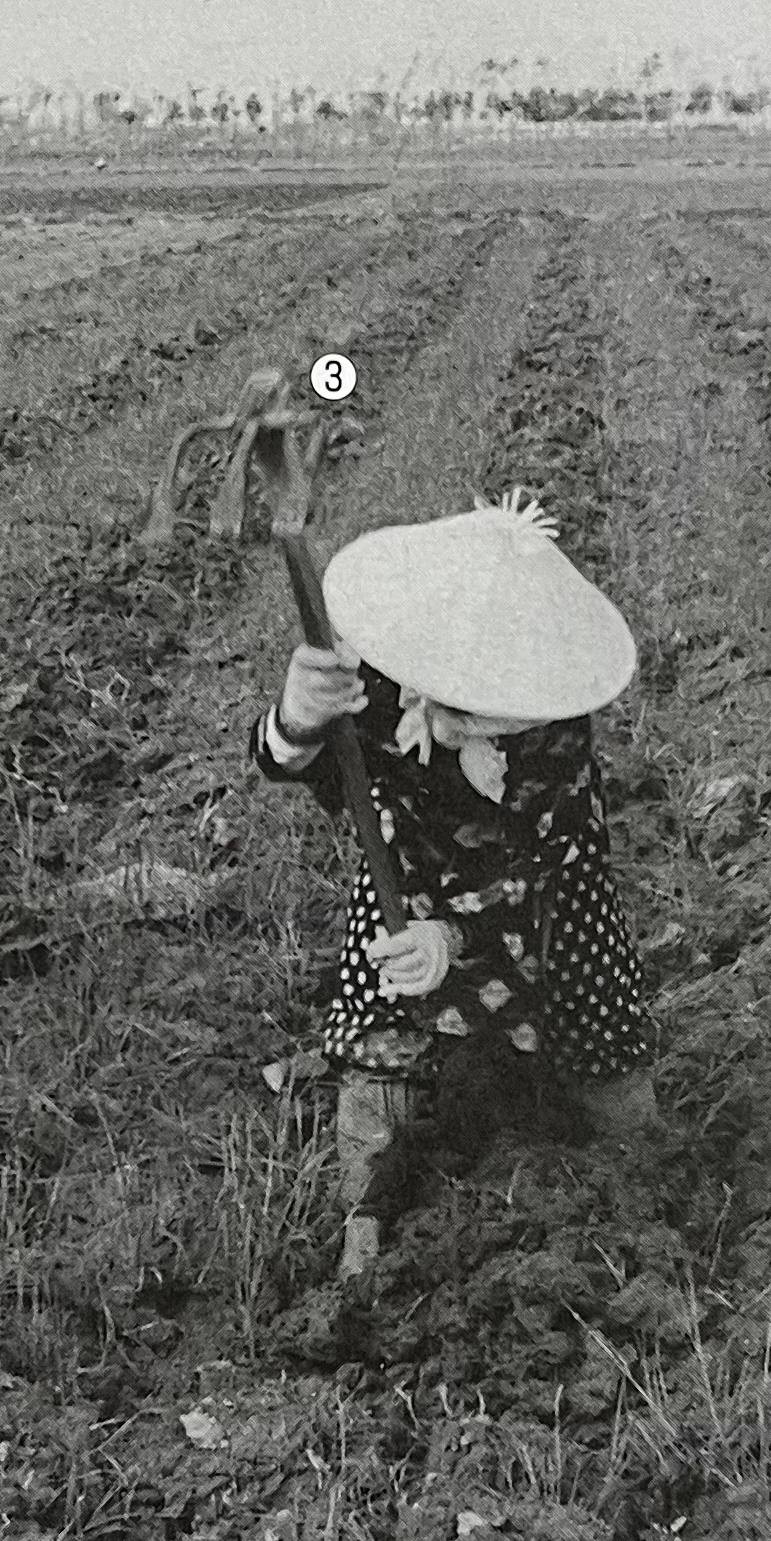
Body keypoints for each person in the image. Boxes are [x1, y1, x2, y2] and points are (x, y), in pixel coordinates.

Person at [253, 492, 659, 1278]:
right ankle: (367, 1206)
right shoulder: (374, 679)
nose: (459, 725)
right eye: (455, 708)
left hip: (542, 892)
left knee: (593, 1010)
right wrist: (297, 719)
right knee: (383, 1004)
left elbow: (536, 864)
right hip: (408, 870)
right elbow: (295, 764)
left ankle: (636, 1172)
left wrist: (455, 934)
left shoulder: (550, 728)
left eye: (482, 716)